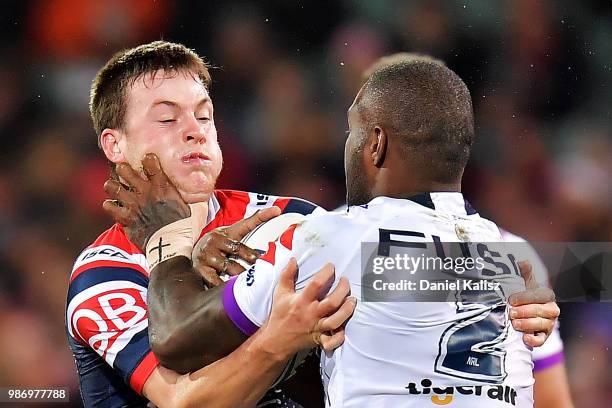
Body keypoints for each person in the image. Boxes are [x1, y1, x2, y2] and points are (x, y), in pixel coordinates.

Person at [114, 56, 562, 406]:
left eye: (352, 130)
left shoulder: (339, 241)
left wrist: (167, 241)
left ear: (376, 143)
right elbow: (587, 275)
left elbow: (176, 337)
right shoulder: (510, 255)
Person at [65, 40, 355, 407]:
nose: (195, 131)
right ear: (114, 145)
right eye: (168, 118)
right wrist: (281, 338)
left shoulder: (288, 219)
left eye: (203, 116)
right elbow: (185, 402)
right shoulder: (105, 273)